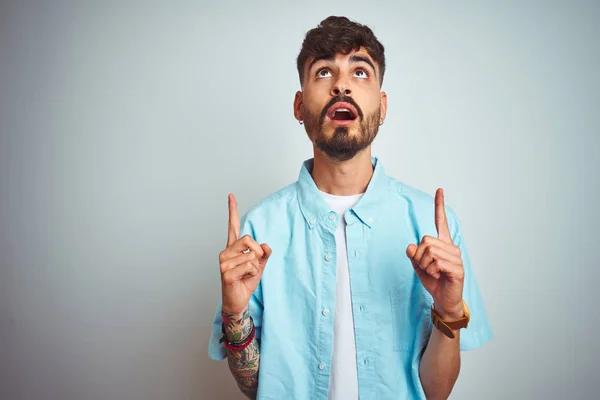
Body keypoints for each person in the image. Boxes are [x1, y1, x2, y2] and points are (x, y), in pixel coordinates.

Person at [208, 15, 492, 400]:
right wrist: (235, 315)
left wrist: (448, 310)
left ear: (383, 104)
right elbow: (256, 385)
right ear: (298, 104)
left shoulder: (433, 228)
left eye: (360, 72)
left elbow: (436, 392)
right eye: (323, 72)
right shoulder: (258, 231)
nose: (341, 84)